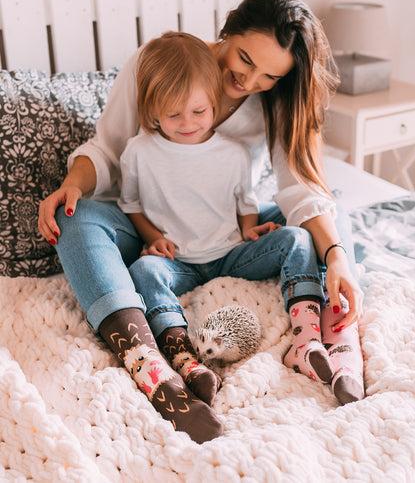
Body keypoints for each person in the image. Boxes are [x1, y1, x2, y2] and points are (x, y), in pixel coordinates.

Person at [37, 0, 365, 439]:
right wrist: (73, 183)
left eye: (270, 76)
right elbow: (108, 151)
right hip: (152, 230)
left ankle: (335, 342)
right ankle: (151, 366)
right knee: (77, 218)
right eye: (245, 59)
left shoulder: (277, 99)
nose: (250, 81)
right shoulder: (160, 62)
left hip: (227, 231)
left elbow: (300, 186)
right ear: (227, 31)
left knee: (332, 218)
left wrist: (336, 257)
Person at [118, 30, 336, 398]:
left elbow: (245, 200)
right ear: (152, 110)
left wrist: (250, 229)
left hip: (232, 253)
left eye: (199, 111)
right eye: (173, 114)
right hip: (179, 262)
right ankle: (185, 358)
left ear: (214, 103)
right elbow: (131, 205)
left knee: (297, 237)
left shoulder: (234, 153)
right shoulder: (138, 152)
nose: (188, 122)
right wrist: (153, 237)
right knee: (142, 270)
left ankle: (306, 337)